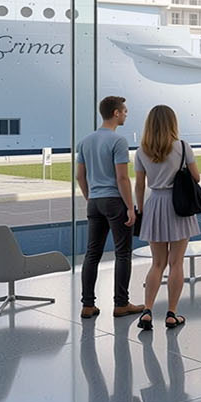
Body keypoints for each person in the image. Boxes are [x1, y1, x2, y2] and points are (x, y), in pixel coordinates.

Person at [133, 105, 201, 331]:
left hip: (154, 205)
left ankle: (147, 311)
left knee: (157, 263)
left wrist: (140, 210)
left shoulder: (142, 150)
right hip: (178, 205)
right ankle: (172, 313)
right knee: (176, 263)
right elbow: (196, 177)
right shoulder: (182, 147)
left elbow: (140, 185)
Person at [75, 96, 143, 319]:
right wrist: (130, 208)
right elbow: (122, 178)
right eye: (124, 111)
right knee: (123, 253)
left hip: (94, 202)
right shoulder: (118, 141)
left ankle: (87, 305)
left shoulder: (85, 141)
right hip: (115, 201)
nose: (126, 115)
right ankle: (121, 304)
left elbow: (80, 176)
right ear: (115, 113)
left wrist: (90, 198)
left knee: (92, 254)